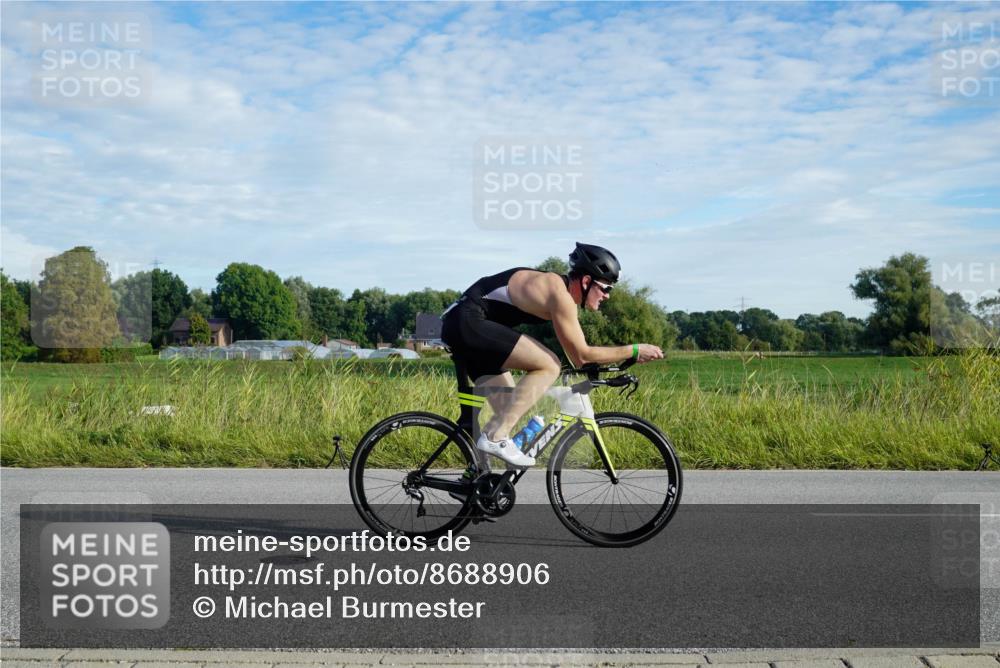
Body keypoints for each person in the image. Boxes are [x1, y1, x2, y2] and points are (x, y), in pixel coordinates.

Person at [440, 242, 664, 467]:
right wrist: (634, 350)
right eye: (606, 288)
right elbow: (582, 355)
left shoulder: (560, 293)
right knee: (549, 365)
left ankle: (476, 478)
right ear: (586, 281)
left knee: (510, 406)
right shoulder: (558, 293)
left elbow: (577, 354)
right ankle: (495, 438)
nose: (607, 296)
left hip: (465, 325)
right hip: (468, 321)